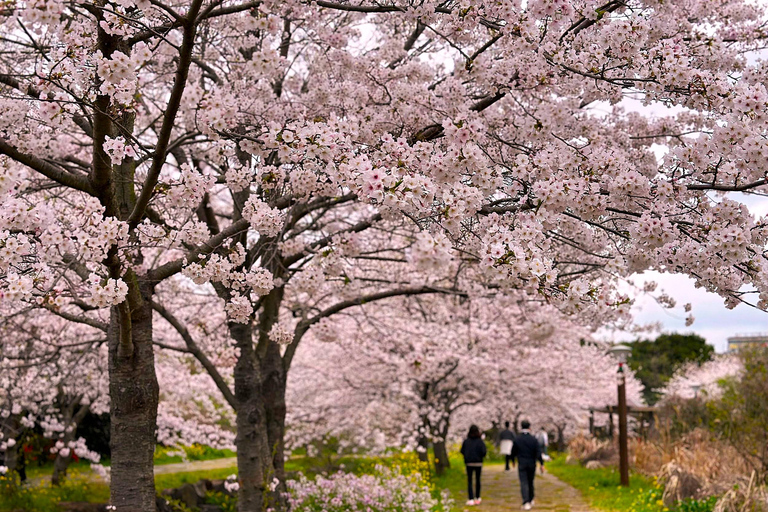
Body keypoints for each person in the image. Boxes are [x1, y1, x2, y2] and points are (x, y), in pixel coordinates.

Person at [511, 420, 544, 510]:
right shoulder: (533, 439)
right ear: (529, 427)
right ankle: (531, 498)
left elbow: (513, 451)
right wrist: (541, 463)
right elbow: (538, 452)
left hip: (522, 462)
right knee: (530, 481)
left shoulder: (518, 439)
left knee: (523, 482)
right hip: (531, 463)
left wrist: (513, 460)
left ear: (521, 427)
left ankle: (526, 501)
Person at [460, 424, 487, 506]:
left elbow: (462, 451)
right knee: (478, 480)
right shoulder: (480, 441)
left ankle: (471, 498)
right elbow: (484, 452)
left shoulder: (466, 441)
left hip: (469, 463)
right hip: (478, 463)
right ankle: (478, 498)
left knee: (470, 481)